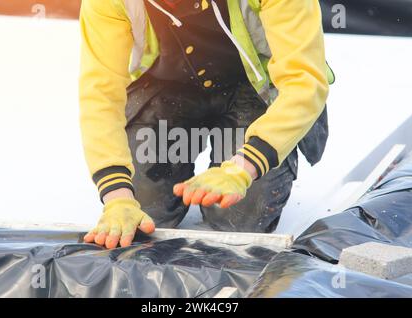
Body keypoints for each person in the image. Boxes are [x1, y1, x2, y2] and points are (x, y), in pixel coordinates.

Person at [79, 0, 334, 249]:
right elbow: (100, 94)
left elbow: (305, 84)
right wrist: (117, 197)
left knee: (239, 220)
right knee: (144, 211)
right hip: (170, 89)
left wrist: (244, 167)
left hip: (253, 89)